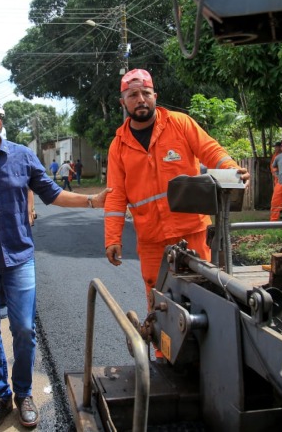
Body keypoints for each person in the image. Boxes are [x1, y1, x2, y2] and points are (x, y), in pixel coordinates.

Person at [0, 91, 111, 431]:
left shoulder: (22, 156)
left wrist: (93, 202)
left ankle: (24, 394)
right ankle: (0, 397)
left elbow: (53, 193)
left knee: (25, 329)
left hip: (18, 258)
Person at [104, 69, 250, 359]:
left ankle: (210, 359)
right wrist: (112, 238)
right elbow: (116, 195)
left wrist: (231, 168)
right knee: (159, 303)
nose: (140, 99)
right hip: (151, 241)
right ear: (124, 103)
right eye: (133, 95)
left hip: (191, 232)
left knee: (205, 296)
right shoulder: (118, 146)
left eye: (146, 93)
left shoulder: (180, 124)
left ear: (155, 96)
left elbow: (210, 150)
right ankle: (165, 362)